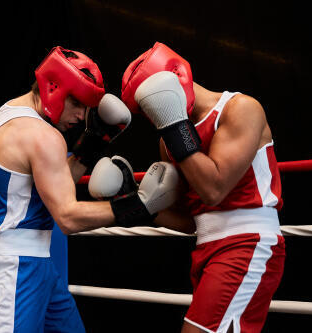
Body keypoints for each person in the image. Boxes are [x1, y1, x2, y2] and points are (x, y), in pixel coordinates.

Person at [0, 46, 179, 333]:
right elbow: (68, 217)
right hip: (16, 267)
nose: (83, 115)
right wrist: (139, 205)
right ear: (55, 88)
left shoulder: (11, 113)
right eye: (79, 104)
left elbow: (53, 185)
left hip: (38, 265)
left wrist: (95, 141)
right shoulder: (42, 136)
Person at [120, 42, 286, 333]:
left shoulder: (240, 109)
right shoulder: (167, 140)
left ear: (178, 76)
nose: (151, 116)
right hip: (206, 250)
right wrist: (139, 204)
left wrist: (175, 128)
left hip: (247, 244)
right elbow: (190, 220)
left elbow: (214, 190)